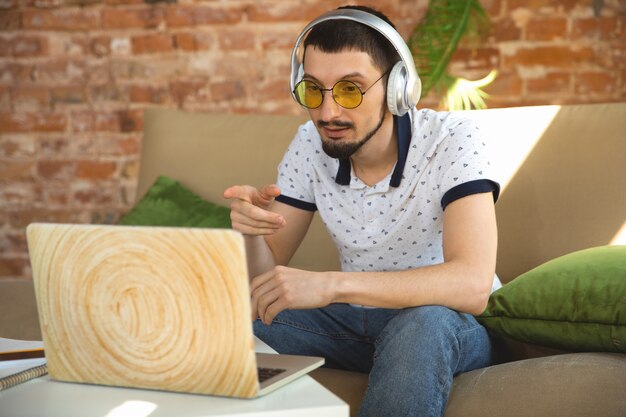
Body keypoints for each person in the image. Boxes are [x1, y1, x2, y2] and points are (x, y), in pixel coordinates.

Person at [223, 5, 500, 417]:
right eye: (314, 90)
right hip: (354, 327)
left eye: (350, 89)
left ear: (397, 88)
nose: (328, 113)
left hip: (448, 325)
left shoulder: (454, 139)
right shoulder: (309, 143)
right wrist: (252, 231)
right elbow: (266, 283)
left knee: (421, 326)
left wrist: (332, 286)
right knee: (227, 323)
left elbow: (472, 285)